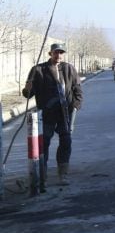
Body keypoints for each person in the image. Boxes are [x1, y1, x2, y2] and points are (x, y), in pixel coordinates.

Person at [22, 43, 83, 188]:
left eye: (61, 52)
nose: (59, 55)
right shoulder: (38, 70)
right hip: (47, 114)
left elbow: (78, 90)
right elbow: (28, 94)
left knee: (66, 141)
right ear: (50, 53)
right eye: (56, 52)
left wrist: (75, 107)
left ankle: (63, 174)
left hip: (65, 114)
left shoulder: (69, 69)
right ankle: (43, 176)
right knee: (45, 143)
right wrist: (27, 88)